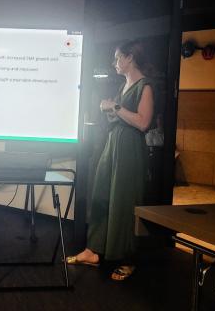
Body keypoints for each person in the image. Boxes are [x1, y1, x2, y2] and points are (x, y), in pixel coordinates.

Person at [66, 40, 154, 281]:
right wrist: (110, 110)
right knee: (102, 194)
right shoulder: (124, 85)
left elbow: (143, 122)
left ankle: (127, 259)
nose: (114, 63)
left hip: (130, 148)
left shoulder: (144, 86)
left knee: (124, 201)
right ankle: (93, 250)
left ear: (129, 58)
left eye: (117, 58)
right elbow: (123, 117)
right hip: (113, 143)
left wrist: (114, 107)